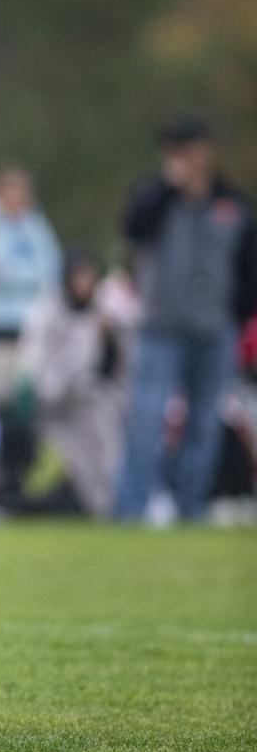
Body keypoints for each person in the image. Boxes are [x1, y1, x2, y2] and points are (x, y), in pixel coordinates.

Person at [115, 116, 256, 521]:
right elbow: (132, 230)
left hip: (214, 330)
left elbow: (248, 267)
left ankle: (192, 507)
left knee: (205, 425)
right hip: (160, 328)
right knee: (146, 419)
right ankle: (131, 509)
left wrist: (237, 315)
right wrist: (165, 189)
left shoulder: (233, 202)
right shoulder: (153, 197)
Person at [19, 247, 125, 517]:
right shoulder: (47, 310)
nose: (83, 285)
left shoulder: (108, 312)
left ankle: (105, 509)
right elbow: (34, 360)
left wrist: (108, 333)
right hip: (53, 406)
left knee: (105, 456)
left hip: (93, 402)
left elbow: (119, 365)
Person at [0, 166, 61, 402]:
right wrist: (23, 276)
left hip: (28, 328)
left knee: (22, 402)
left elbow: (50, 271)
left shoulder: (36, 226)